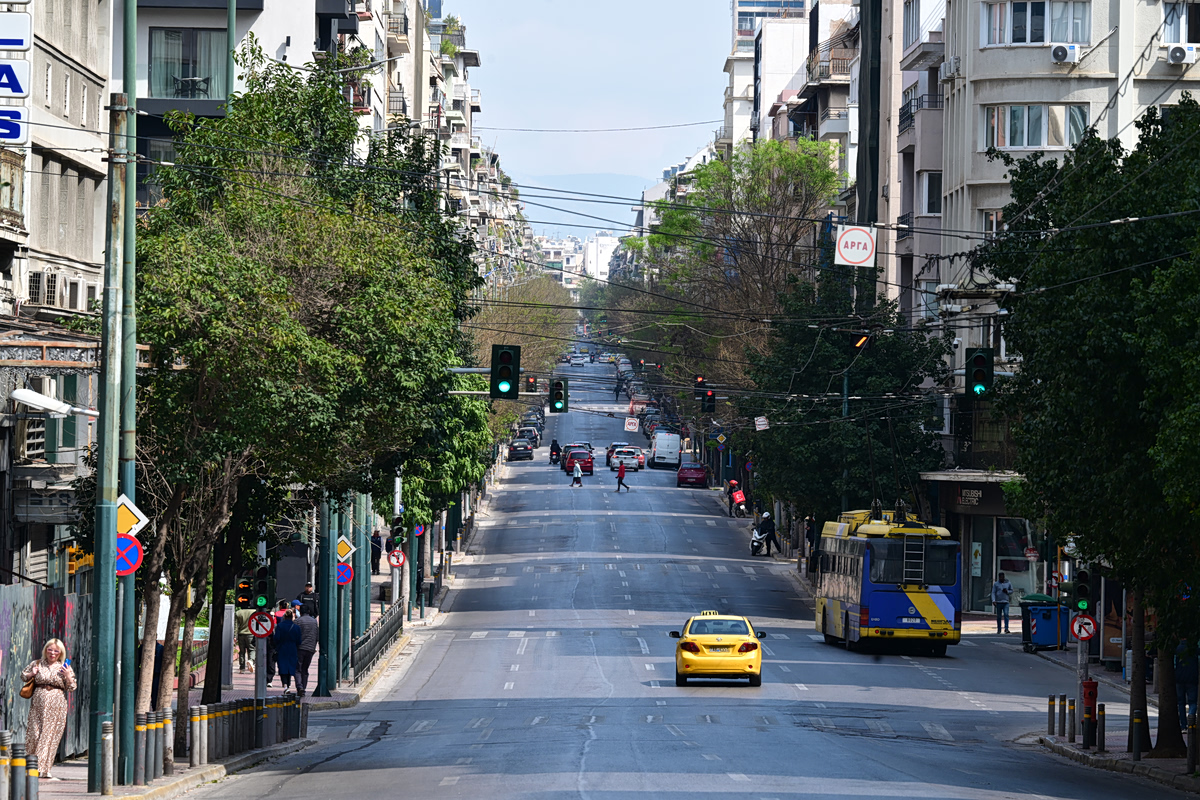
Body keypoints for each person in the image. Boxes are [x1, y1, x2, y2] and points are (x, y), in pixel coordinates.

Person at [22, 639, 77, 780]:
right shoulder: (37, 663)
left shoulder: (65, 667)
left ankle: (43, 769)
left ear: (61, 653)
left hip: (56, 704)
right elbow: (23, 676)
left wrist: (68, 677)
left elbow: (72, 688)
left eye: (56, 651)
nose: (52, 653)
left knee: (49, 736)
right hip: (38, 704)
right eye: (50, 650)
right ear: (45, 650)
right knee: (34, 734)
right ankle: (31, 765)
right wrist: (31, 674)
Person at [272, 610, 302, 691]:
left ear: (284, 617)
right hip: (292, 649)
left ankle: (285, 684)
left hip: (282, 649)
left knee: (282, 666)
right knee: (290, 666)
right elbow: (299, 641)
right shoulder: (296, 627)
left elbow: (276, 638)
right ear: (292, 617)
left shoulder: (280, 626)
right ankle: (288, 684)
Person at [296, 607, 319, 698]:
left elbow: (295, 634)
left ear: (300, 612)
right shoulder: (314, 622)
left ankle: (299, 686)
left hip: (300, 648)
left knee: (297, 669)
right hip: (310, 649)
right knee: (305, 669)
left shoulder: (298, 621)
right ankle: (304, 689)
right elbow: (317, 635)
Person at [1177, 641, 1199, 730]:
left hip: (1179, 678)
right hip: (1192, 679)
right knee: (1192, 702)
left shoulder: (1177, 648)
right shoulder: (1193, 649)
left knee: (1181, 703)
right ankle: (1191, 721)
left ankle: (1183, 725)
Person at [235, 605, 255, 673]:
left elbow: (236, 626)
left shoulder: (238, 612)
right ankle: (251, 661)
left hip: (241, 634)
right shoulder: (254, 612)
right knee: (252, 649)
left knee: (242, 652)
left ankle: (242, 668)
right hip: (251, 634)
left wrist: (235, 636)